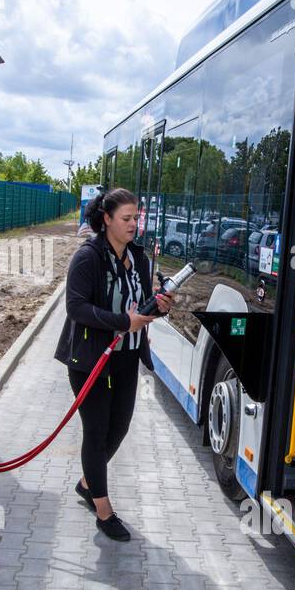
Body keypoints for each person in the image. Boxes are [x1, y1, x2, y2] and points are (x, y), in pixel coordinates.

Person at [53, 187, 171, 541]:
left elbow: (142, 303)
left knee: (118, 428)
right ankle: (103, 511)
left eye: (137, 218)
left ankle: (88, 482)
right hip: (91, 360)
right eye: (127, 218)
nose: (134, 224)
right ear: (106, 220)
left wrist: (160, 306)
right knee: (97, 430)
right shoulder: (88, 257)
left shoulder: (138, 256)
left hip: (128, 356)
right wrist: (123, 322)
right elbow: (76, 308)